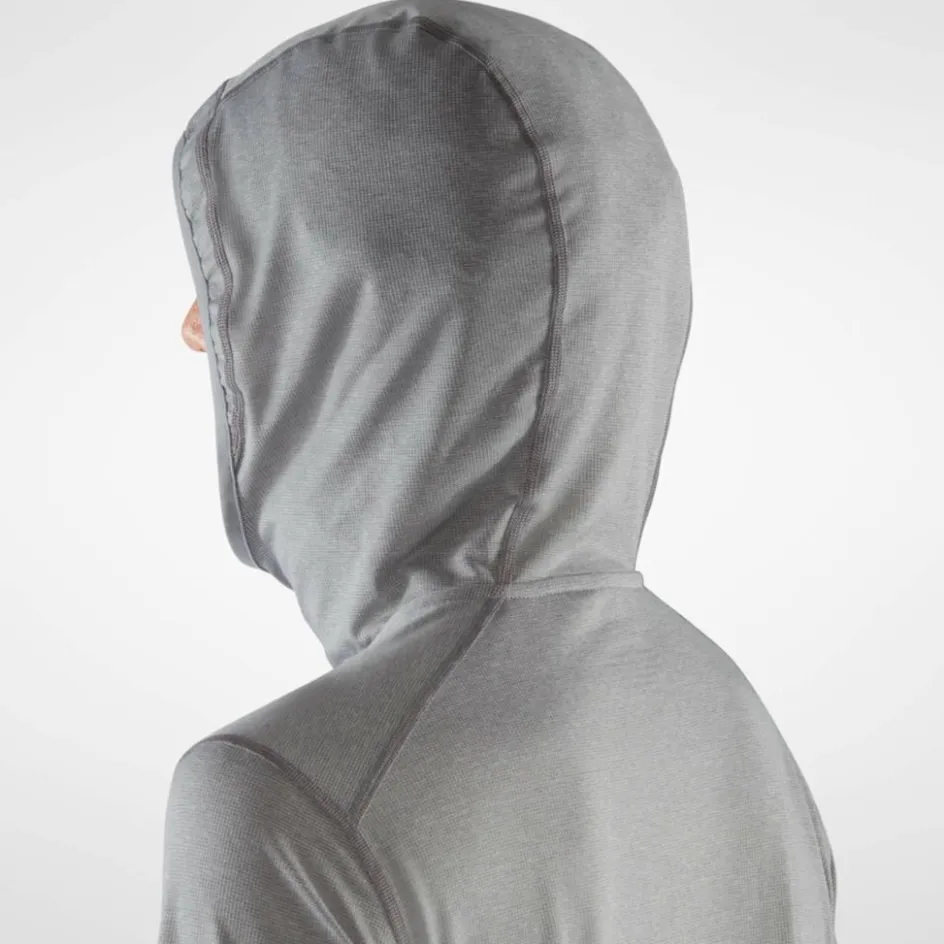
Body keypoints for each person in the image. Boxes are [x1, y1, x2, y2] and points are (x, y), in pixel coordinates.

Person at [160, 2, 839, 942]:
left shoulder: (281, 799)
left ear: (364, 319)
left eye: (235, 285)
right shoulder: (733, 723)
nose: (198, 333)